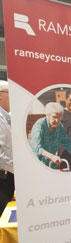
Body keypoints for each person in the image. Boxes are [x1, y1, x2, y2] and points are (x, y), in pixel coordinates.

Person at [29, 102, 71, 170]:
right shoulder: (39, 125)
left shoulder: (59, 127)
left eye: (59, 118)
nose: (57, 120)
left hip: (52, 164)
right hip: (38, 164)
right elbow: (36, 147)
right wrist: (52, 156)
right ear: (48, 115)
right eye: (54, 117)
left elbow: (66, 141)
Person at [0, 81, 14, 215]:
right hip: (2, 180)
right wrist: (17, 169)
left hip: (8, 176)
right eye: (11, 93)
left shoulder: (7, 117)